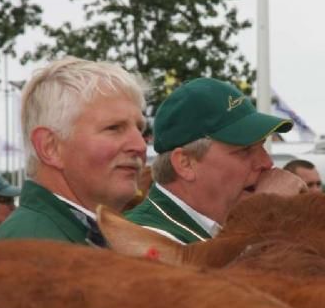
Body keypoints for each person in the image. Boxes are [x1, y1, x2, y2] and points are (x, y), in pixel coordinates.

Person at [125, 77, 307, 244]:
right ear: (185, 163)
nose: (266, 162)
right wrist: (264, 215)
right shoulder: (145, 238)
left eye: (262, 146)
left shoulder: (209, 230)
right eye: (245, 150)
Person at [0, 56, 147, 246]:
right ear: (50, 148)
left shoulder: (76, 237)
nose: (140, 146)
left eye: (140, 129)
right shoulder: (30, 250)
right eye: (114, 128)